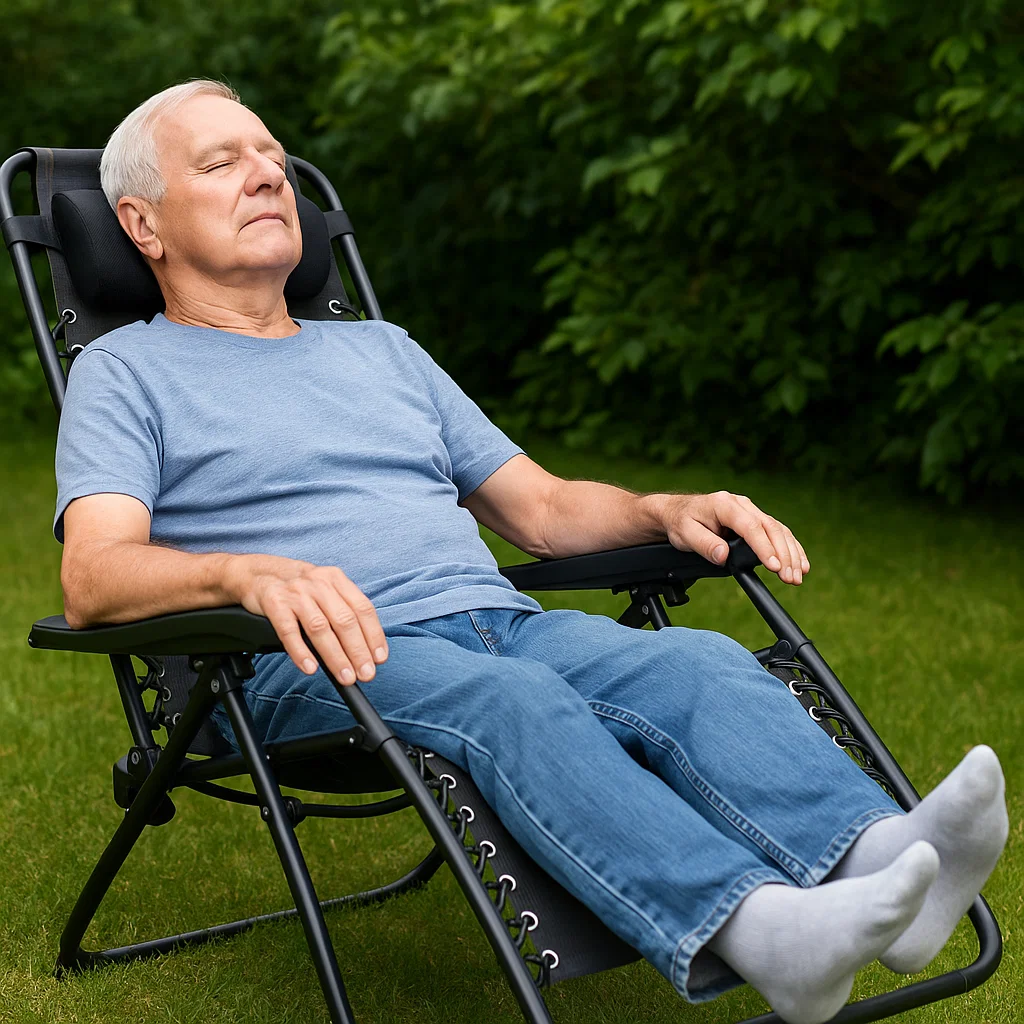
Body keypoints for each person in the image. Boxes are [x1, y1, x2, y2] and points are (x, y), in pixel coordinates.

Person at [54, 80, 1007, 1024]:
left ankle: (886, 867)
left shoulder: (383, 351)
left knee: (693, 661)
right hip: (312, 662)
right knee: (514, 699)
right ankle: (758, 931)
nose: (267, 175)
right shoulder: (126, 372)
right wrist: (241, 573)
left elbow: (543, 508)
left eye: (271, 156)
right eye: (223, 163)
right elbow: (94, 574)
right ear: (141, 225)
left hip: (500, 624)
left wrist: (665, 508)